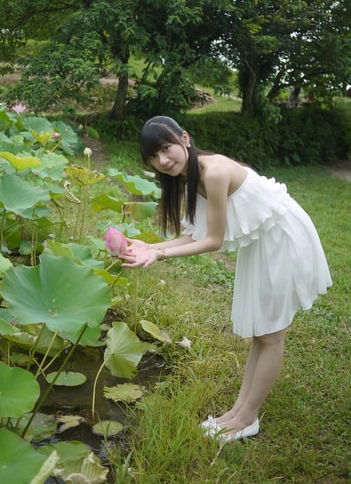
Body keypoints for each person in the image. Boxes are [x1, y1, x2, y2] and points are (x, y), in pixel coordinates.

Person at [120, 116, 332, 443]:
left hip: (282, 239)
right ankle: (237, 413)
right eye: (153, 156)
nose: (162, 160)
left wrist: (160, 254)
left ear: (184, 139)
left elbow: (213, 241)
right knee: (261, 334)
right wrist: (152, 247)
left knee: (271, 335)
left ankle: (247, 418)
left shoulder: (214, 172)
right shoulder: (192, 178)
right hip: (263, 243)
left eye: (166, 148)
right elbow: (197, 235)